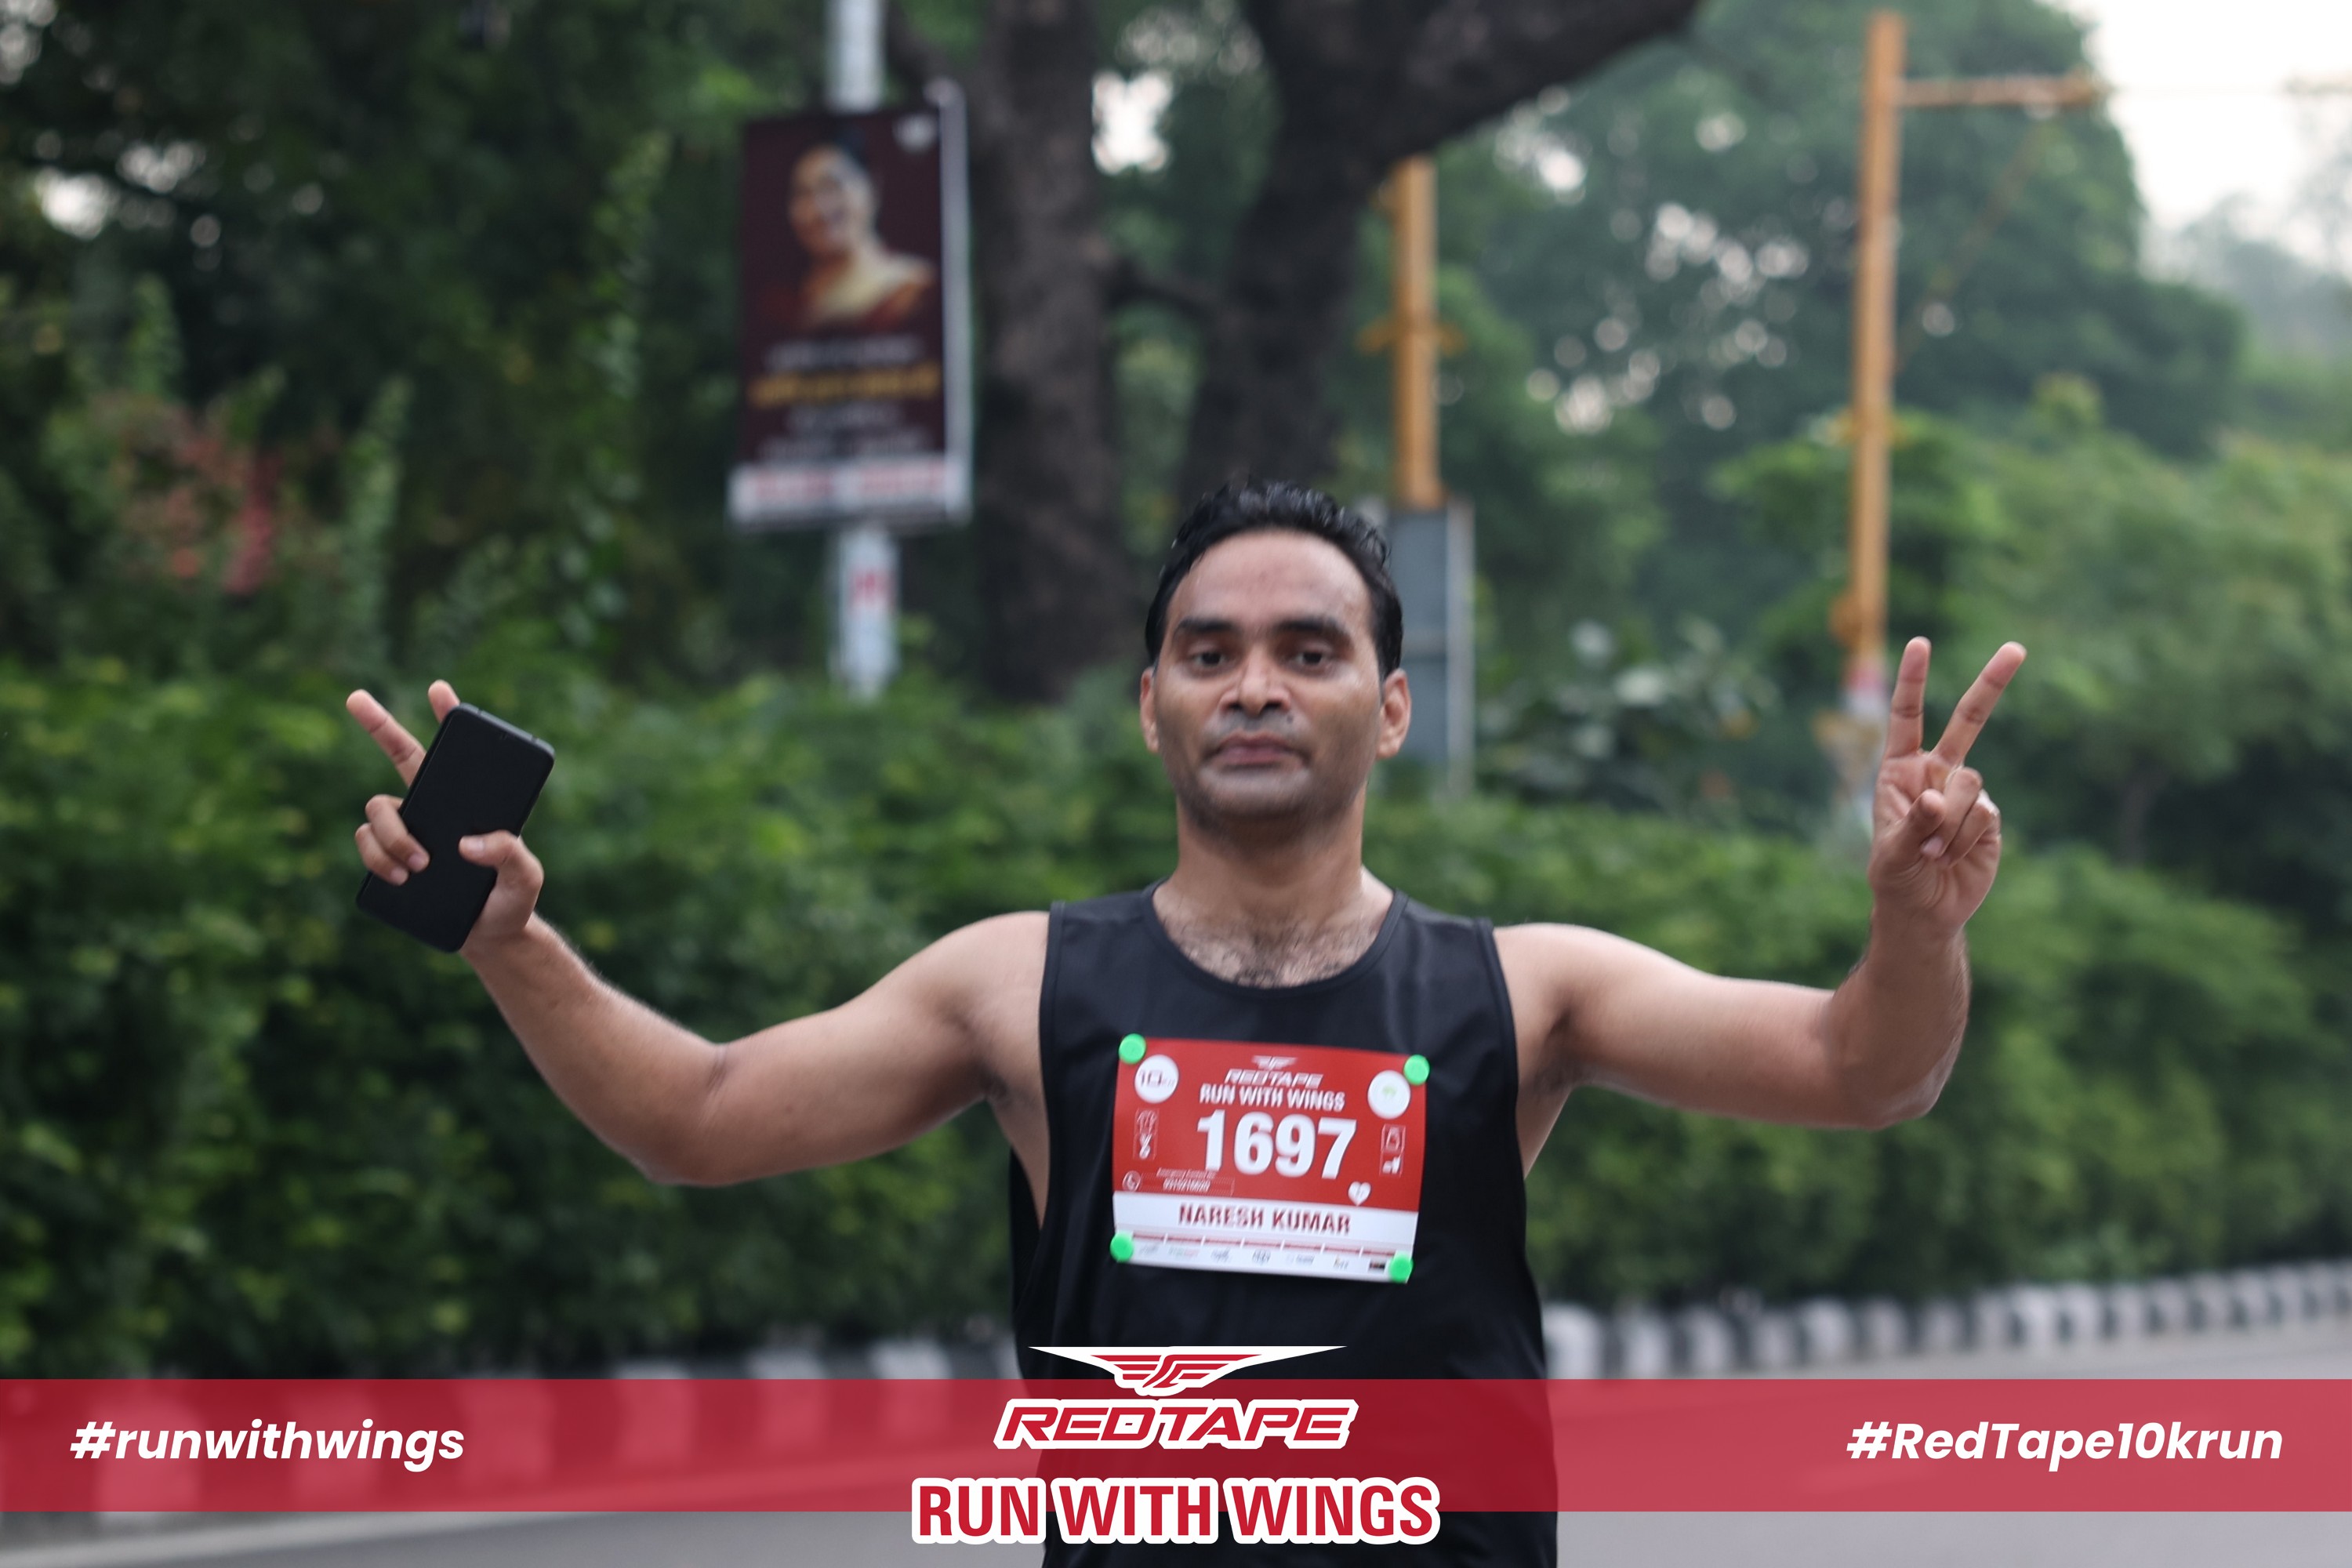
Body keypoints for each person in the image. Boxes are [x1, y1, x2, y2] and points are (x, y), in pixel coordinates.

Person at [346, 479, 2024, 1565]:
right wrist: (515, 944)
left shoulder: (1527, 991)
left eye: (1310, 650)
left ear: (1393, 704)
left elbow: (1862, 1071)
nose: (1256, 686)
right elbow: (700, 1118)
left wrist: (1914, 926)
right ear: (1151, 705)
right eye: (1209, 654)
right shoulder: (1017, 985)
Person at [777, 133, 935, 334]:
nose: (818, 209)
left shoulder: (912, 289)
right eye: (803, 193)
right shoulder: (784, 305)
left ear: (872, 187)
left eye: (832, 187)